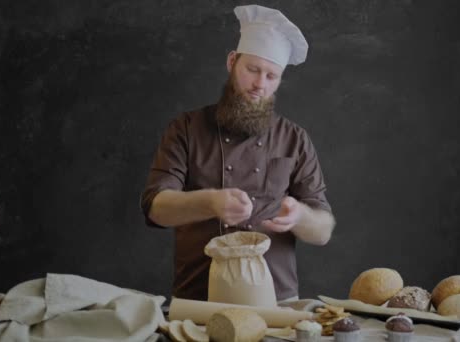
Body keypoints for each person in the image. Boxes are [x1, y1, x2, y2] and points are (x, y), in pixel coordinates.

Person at [140, 4, 335, 302]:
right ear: (233, 62)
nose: (260, 84)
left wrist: (300, 216)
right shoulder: (186, 128)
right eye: (253, 69)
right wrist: (211, 202)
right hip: (198, 299)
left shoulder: (295, 139)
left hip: (277, 302)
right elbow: (156, 207)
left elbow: (323, 230)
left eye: (272, 76)